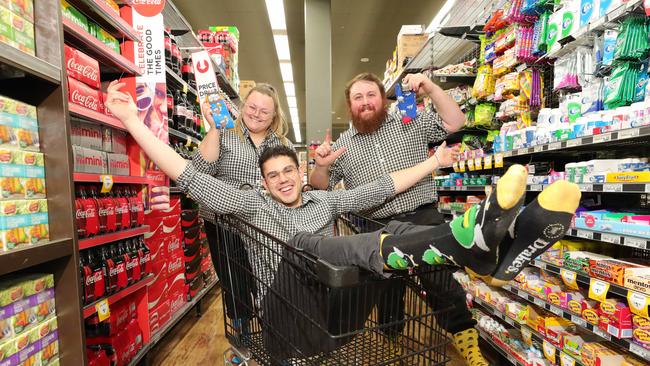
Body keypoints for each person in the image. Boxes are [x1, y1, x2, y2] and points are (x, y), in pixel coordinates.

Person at [104, 80, 580, 362]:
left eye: (290, 169)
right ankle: (473, 242)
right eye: (274, 175)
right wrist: (132, 121)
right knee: (316, 246)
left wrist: (433, 165)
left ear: (300, 170)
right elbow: (184, 172)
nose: (285, 180)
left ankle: (490, 245)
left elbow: (383, 187)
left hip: (336, 319)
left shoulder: (320, 200)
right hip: (285, 321)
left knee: (385, 231)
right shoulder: (250, 206)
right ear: (263, 184)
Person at [308, 72, 485, 365]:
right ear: (349, 105)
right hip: (376, 225)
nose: (365, 102)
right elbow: (320, 187)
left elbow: (456, 122)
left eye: (371, 95)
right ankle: (390, 340)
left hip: (421, 215)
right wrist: (321, 165)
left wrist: (429, 87)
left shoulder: (410, 120)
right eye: (358, 97)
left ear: (383, 98)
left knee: (439, 276)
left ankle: (466, 339)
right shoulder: (342, 144)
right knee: (387, 287)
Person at [195, 83, 293, 329]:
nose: (256, 114)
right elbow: (199, 171)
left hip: (265, 225)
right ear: (242, 106)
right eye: (252, 107)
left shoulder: (283, 145)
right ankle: (243, 337)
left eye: (264, 111)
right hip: (224, 224)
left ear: (274, 116)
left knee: (270, 281)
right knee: (235, 285)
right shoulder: (225, 133)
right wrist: (214, 130)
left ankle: (274, 331)